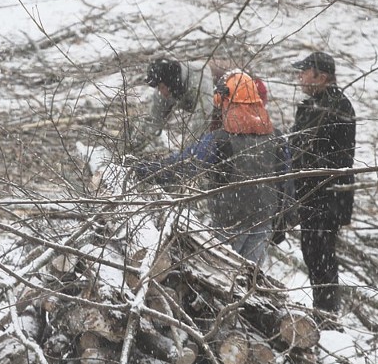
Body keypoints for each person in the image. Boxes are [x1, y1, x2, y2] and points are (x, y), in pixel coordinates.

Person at [134, 71, 285, 264]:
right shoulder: (277, 138)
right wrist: (282, 221)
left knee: (224, 276)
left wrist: (146, 170)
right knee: (249, 281)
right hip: (263, 222)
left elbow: (184, 165)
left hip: (229, 224)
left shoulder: (219, 141)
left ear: (225, 101)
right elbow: (285, 182)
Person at [289, 51, 356, 316]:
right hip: (311, 193)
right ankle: (323, 308)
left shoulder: (335, 107)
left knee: (321, 254)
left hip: (327, 194)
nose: (300, 77)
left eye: (305, 72)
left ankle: (327, 312)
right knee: (312, 252)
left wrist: (297, 156)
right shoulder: (314, 105)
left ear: (322, 76)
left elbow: (321, 153)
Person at [137, 58, 214, 149]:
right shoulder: (166, 85)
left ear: (171, 83)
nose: (160, 92)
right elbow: (153, 120)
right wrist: (137, 142)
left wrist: (189, 152)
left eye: (161, 87)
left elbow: (201, 120)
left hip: (224, 101)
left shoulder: (200, 81)